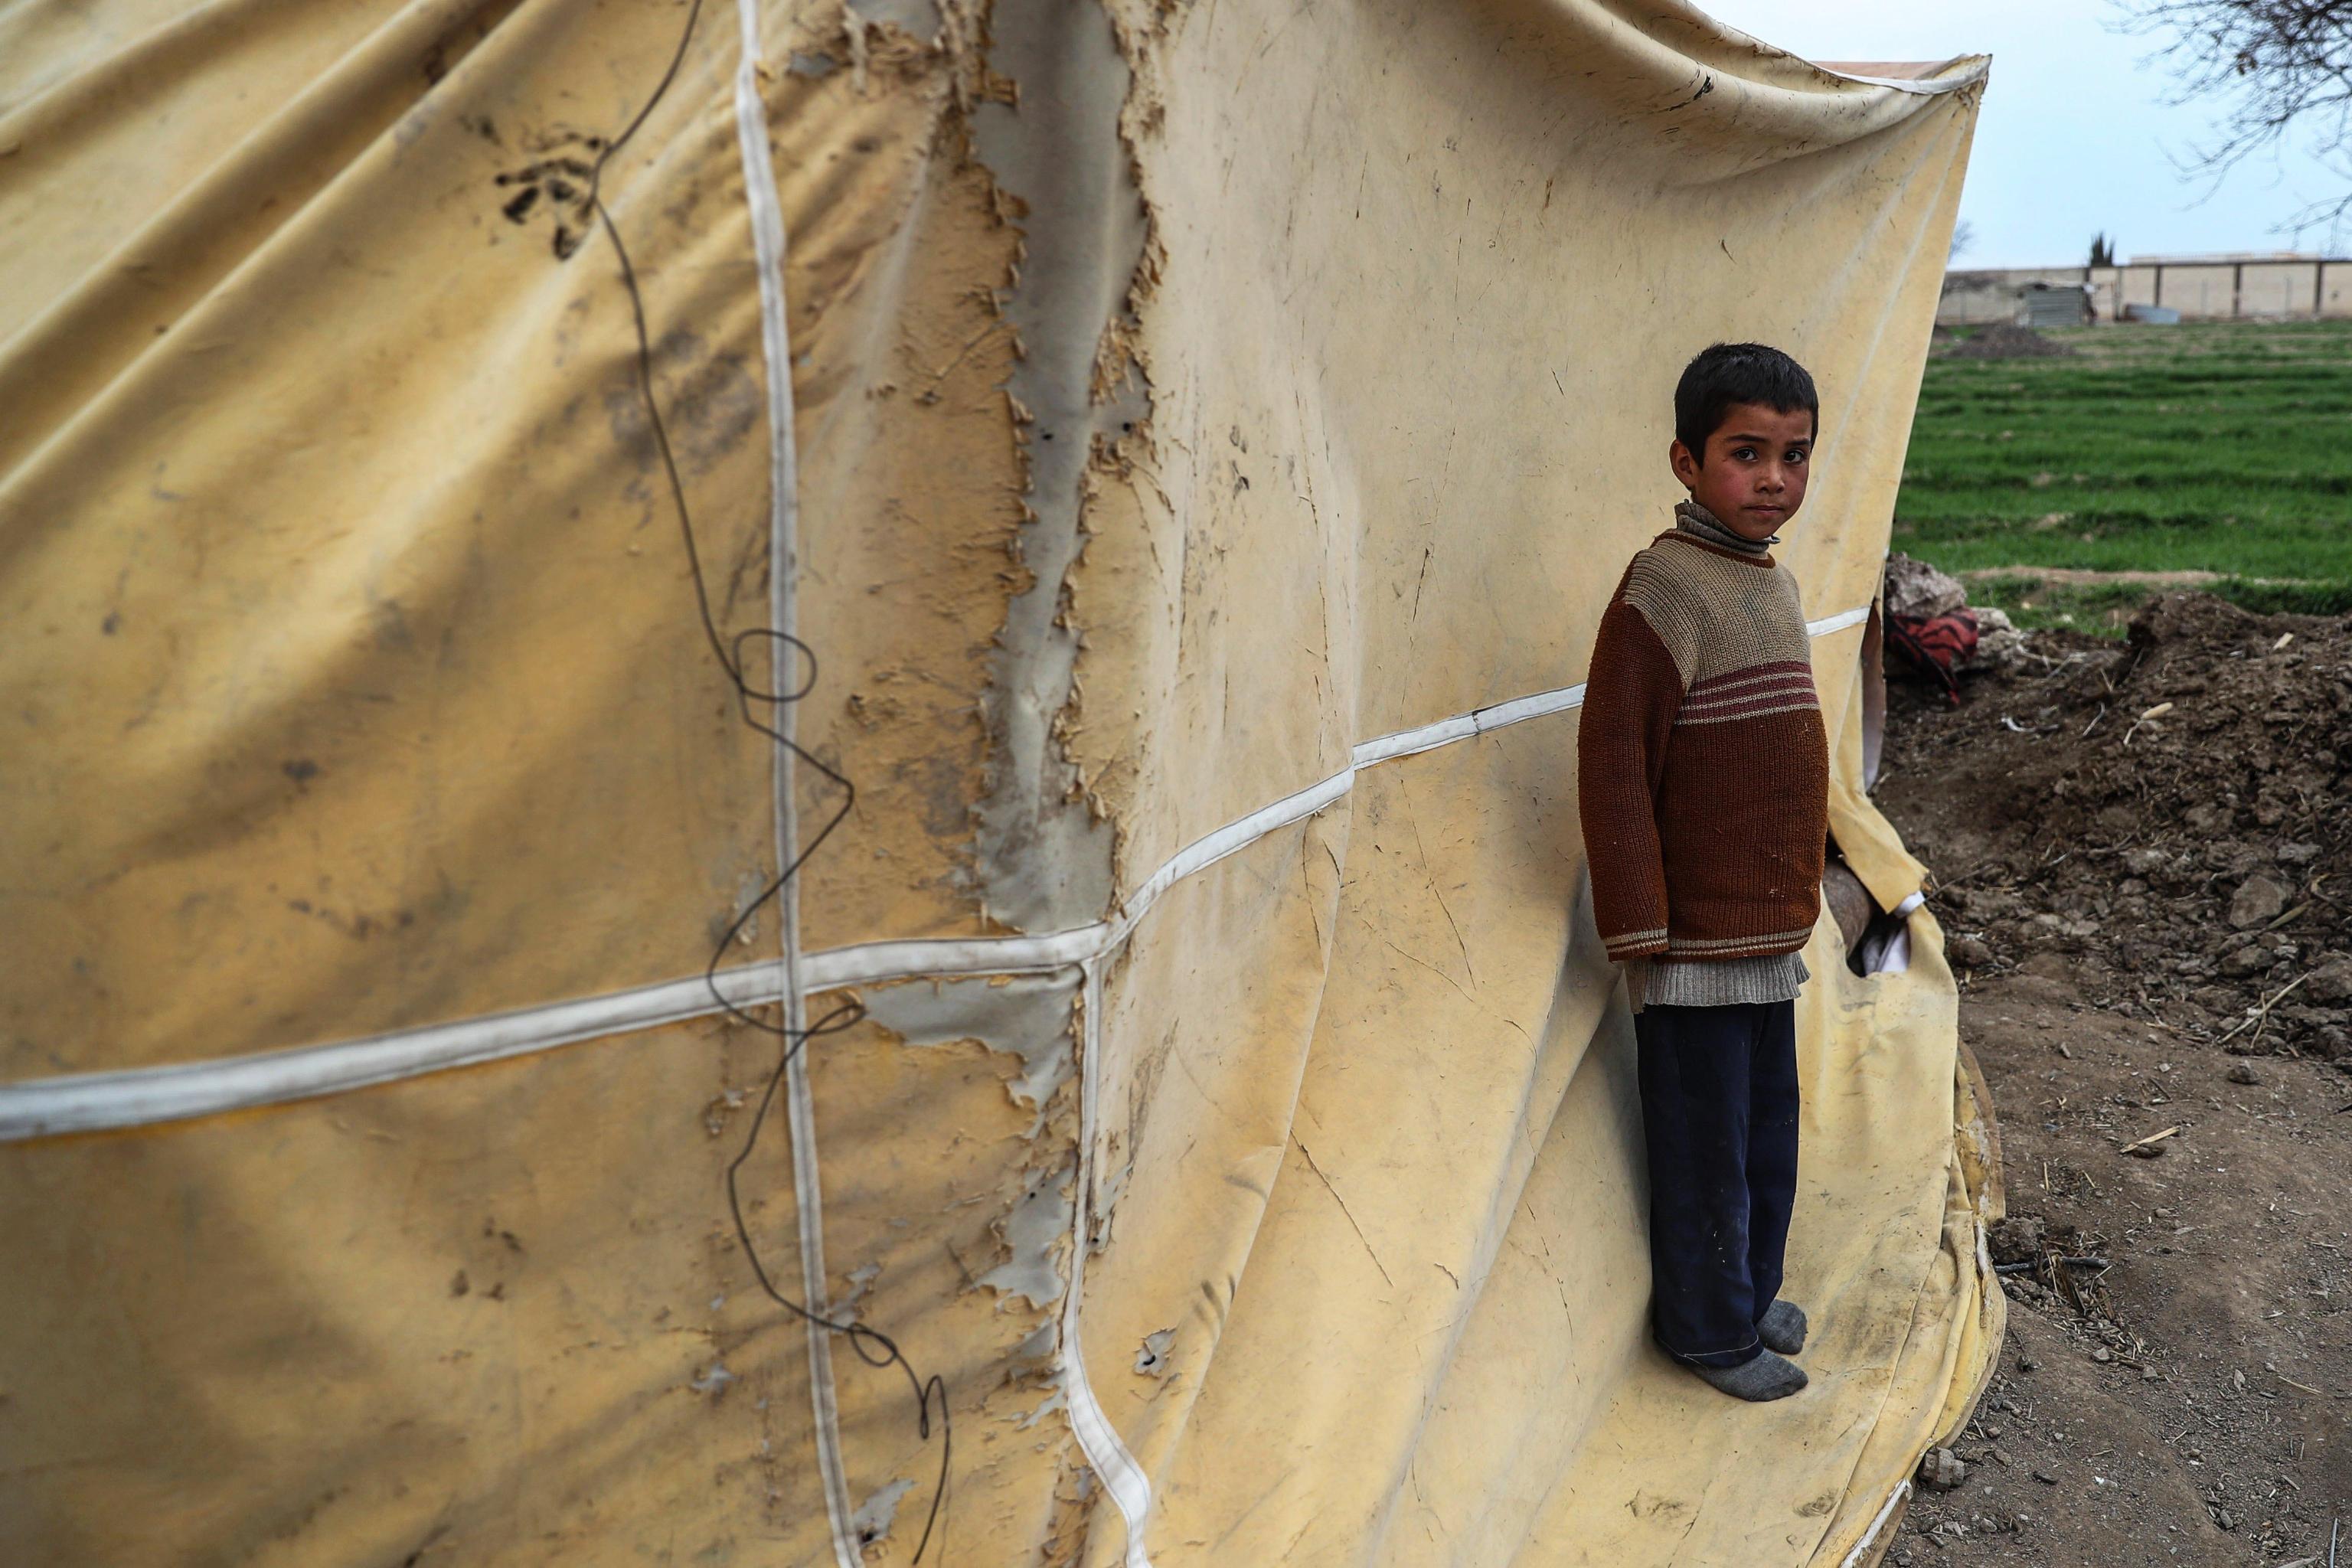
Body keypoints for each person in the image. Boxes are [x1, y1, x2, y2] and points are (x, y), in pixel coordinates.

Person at [1576, 342, 1831, 1403]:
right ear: (1686, 462)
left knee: (1768, 1138)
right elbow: (1613, 765)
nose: (1775, 478)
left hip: (1766, 937)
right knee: (1704, 1159)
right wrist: (1639, 930)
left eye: (1796, 455)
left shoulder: (1772, 586)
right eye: (1746, 453)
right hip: (1689, 952)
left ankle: (1749, 1290)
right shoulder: (1662, 591)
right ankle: (1710, 1332)